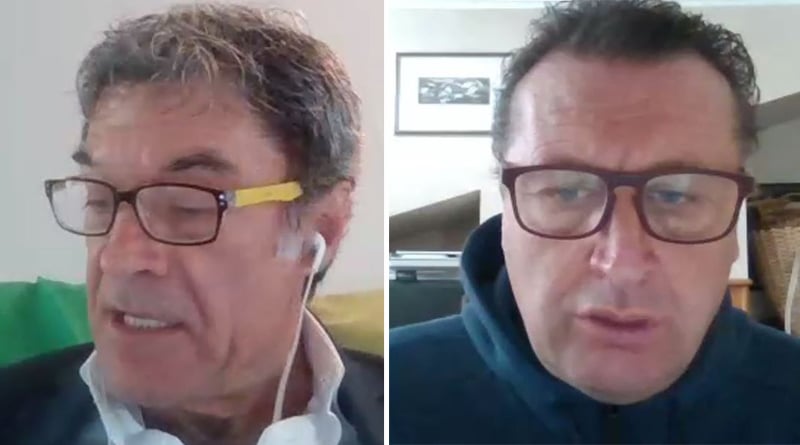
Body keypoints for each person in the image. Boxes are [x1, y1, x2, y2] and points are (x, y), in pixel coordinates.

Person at [390, 1, 800, 443]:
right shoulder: (380, 401)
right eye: (566, 192)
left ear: (736, 216)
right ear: (506, 209)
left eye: (677, 195)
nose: (622, 265)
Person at [0, 4, 381, 445]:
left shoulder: (410, 402)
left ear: (324, 227)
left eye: (187, 205)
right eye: (98, 199)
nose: (118, 257)